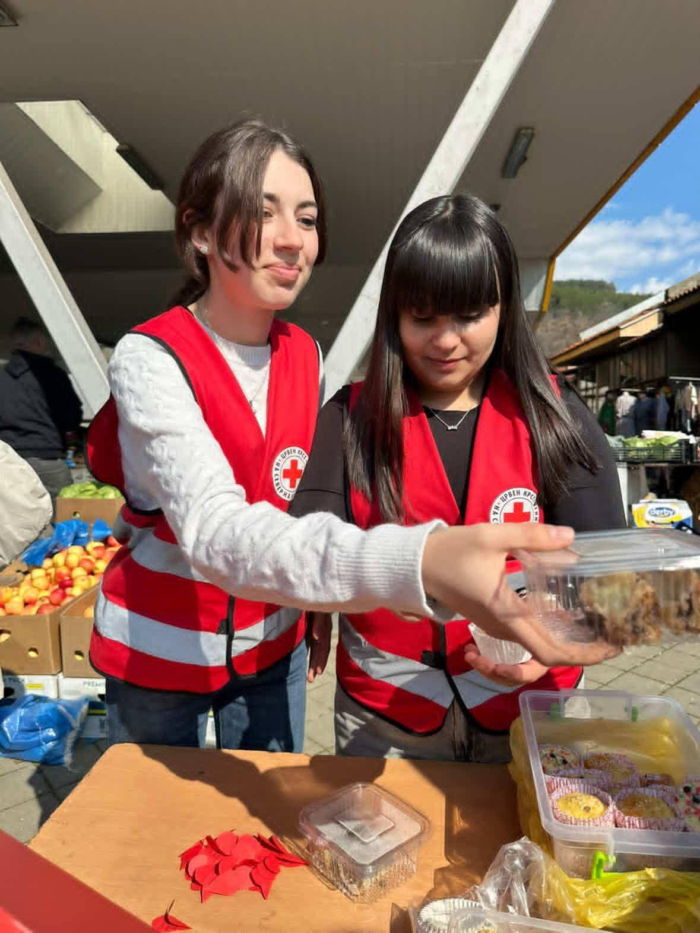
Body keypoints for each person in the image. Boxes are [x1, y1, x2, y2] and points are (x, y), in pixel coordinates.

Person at [85, 123, 616, 755]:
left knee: (263, 811)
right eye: (263, 212)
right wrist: (419, 562)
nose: (292, 238)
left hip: (272, 649)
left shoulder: (303, 356)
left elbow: (291, 507)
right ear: (200, 231)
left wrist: (571, 634)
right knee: (146, 808)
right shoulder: (154, 357)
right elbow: (219, 530)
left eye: (307, 218)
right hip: (167, 645)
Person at [290, 193, 626, 763]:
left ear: (504, 309)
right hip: (387, 717)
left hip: (535, 709)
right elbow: (304, 550)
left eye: (469, 316)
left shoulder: (553, 412)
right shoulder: (348, 418)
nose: (445, 341)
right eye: (422, 317)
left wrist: (567, 637)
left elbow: (610, 566)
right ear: (394, 316)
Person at [0, 318, 82, 515]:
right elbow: (71, 418)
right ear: (37, 342)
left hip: (9, 462)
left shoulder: (1, 377)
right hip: (48, 458)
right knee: (63, 519)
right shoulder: (54, 375)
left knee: (15, 520)